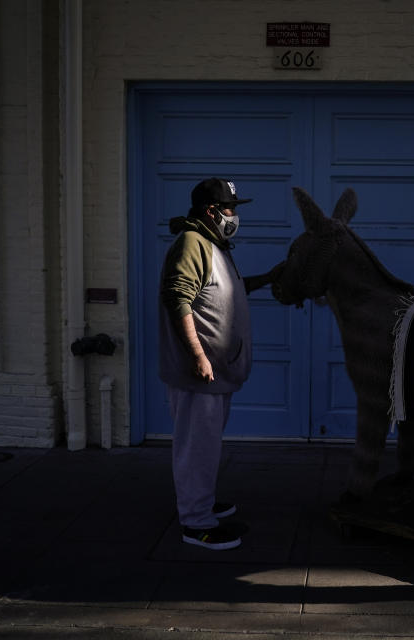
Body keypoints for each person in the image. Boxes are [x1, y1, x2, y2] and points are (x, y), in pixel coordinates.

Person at [158, 177, 277, 550]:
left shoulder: (213, 244)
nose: (234, 214)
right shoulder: (193, 244)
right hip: (200, 374)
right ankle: (196, 524)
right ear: (212, 211)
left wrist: (270, 278)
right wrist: (197, 355)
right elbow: (177, 298)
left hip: (216, 373)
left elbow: (225, 291)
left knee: (206, 445)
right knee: (197, 448)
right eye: (231, 208)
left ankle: (202, 502)